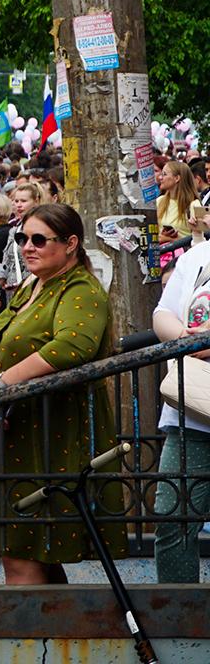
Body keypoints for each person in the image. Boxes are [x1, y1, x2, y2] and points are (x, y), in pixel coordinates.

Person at [0, 201, 126, 585]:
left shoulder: (80, 289)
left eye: (39, 239)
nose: (27, 247)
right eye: (22, 238)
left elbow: (73, 345)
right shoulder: (31, 285)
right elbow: (2, 344)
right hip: (16, 432)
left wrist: (3, 386)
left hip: (53, 433)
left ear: (71, 244)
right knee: (30, 548)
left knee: (23, 550)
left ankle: (30, 641)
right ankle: (51, 640)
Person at [152, 227, 210, 582]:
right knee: (173, 520)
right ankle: (179, 622)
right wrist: (183, 339)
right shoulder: (196, 256)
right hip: (192, 412)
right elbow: (162, 313)